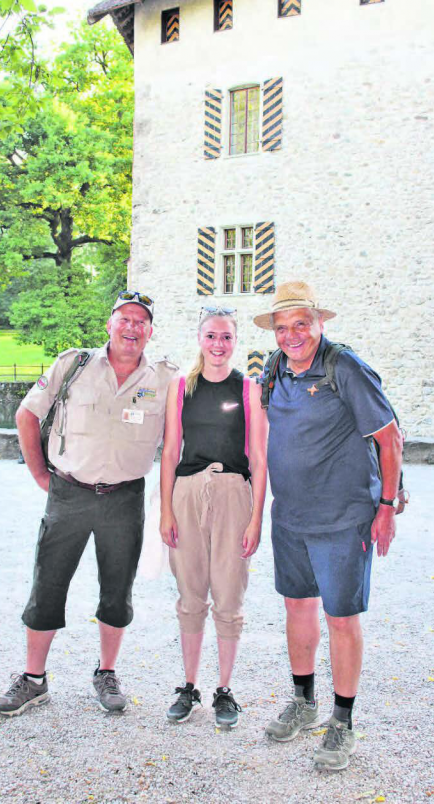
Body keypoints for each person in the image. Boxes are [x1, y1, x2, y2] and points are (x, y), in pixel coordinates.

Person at [0, 291, 178, 717]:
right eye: (124, 318)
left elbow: (175, 444)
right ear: (109, 324)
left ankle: (106, 674)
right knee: (48, 584)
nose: (132, 327)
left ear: (150, 331)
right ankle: (33, 680)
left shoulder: (164, 379)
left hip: (124, 497)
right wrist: (40, 474)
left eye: (141, 321)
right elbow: (27, 414)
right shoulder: (73, 365)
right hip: (69, 493)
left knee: (117, 590)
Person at [254, 280, 403, 770]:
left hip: (343, 519)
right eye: (283, 327)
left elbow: (391, 440)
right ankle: (304, 702)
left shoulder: (345, 367)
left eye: (302, 324)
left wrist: (384, 506)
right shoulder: (275, 369)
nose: (292, 335)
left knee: (340, 618)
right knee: (298, 608)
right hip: (290, 517)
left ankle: (342, 722)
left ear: (319, 324)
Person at [159, 307, 268, 729]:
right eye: (211, 336)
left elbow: (258, 457)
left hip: (232, 494)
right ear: (199, 338)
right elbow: (170, 451)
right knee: (190, 593)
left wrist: (256, 517)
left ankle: (224, 689)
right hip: (186, 493)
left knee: (228, 592)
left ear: (234, 341)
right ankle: (188, 686)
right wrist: (166, 507)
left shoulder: (250, 389)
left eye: (226, 337)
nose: (218, 345)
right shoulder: (181, 387)